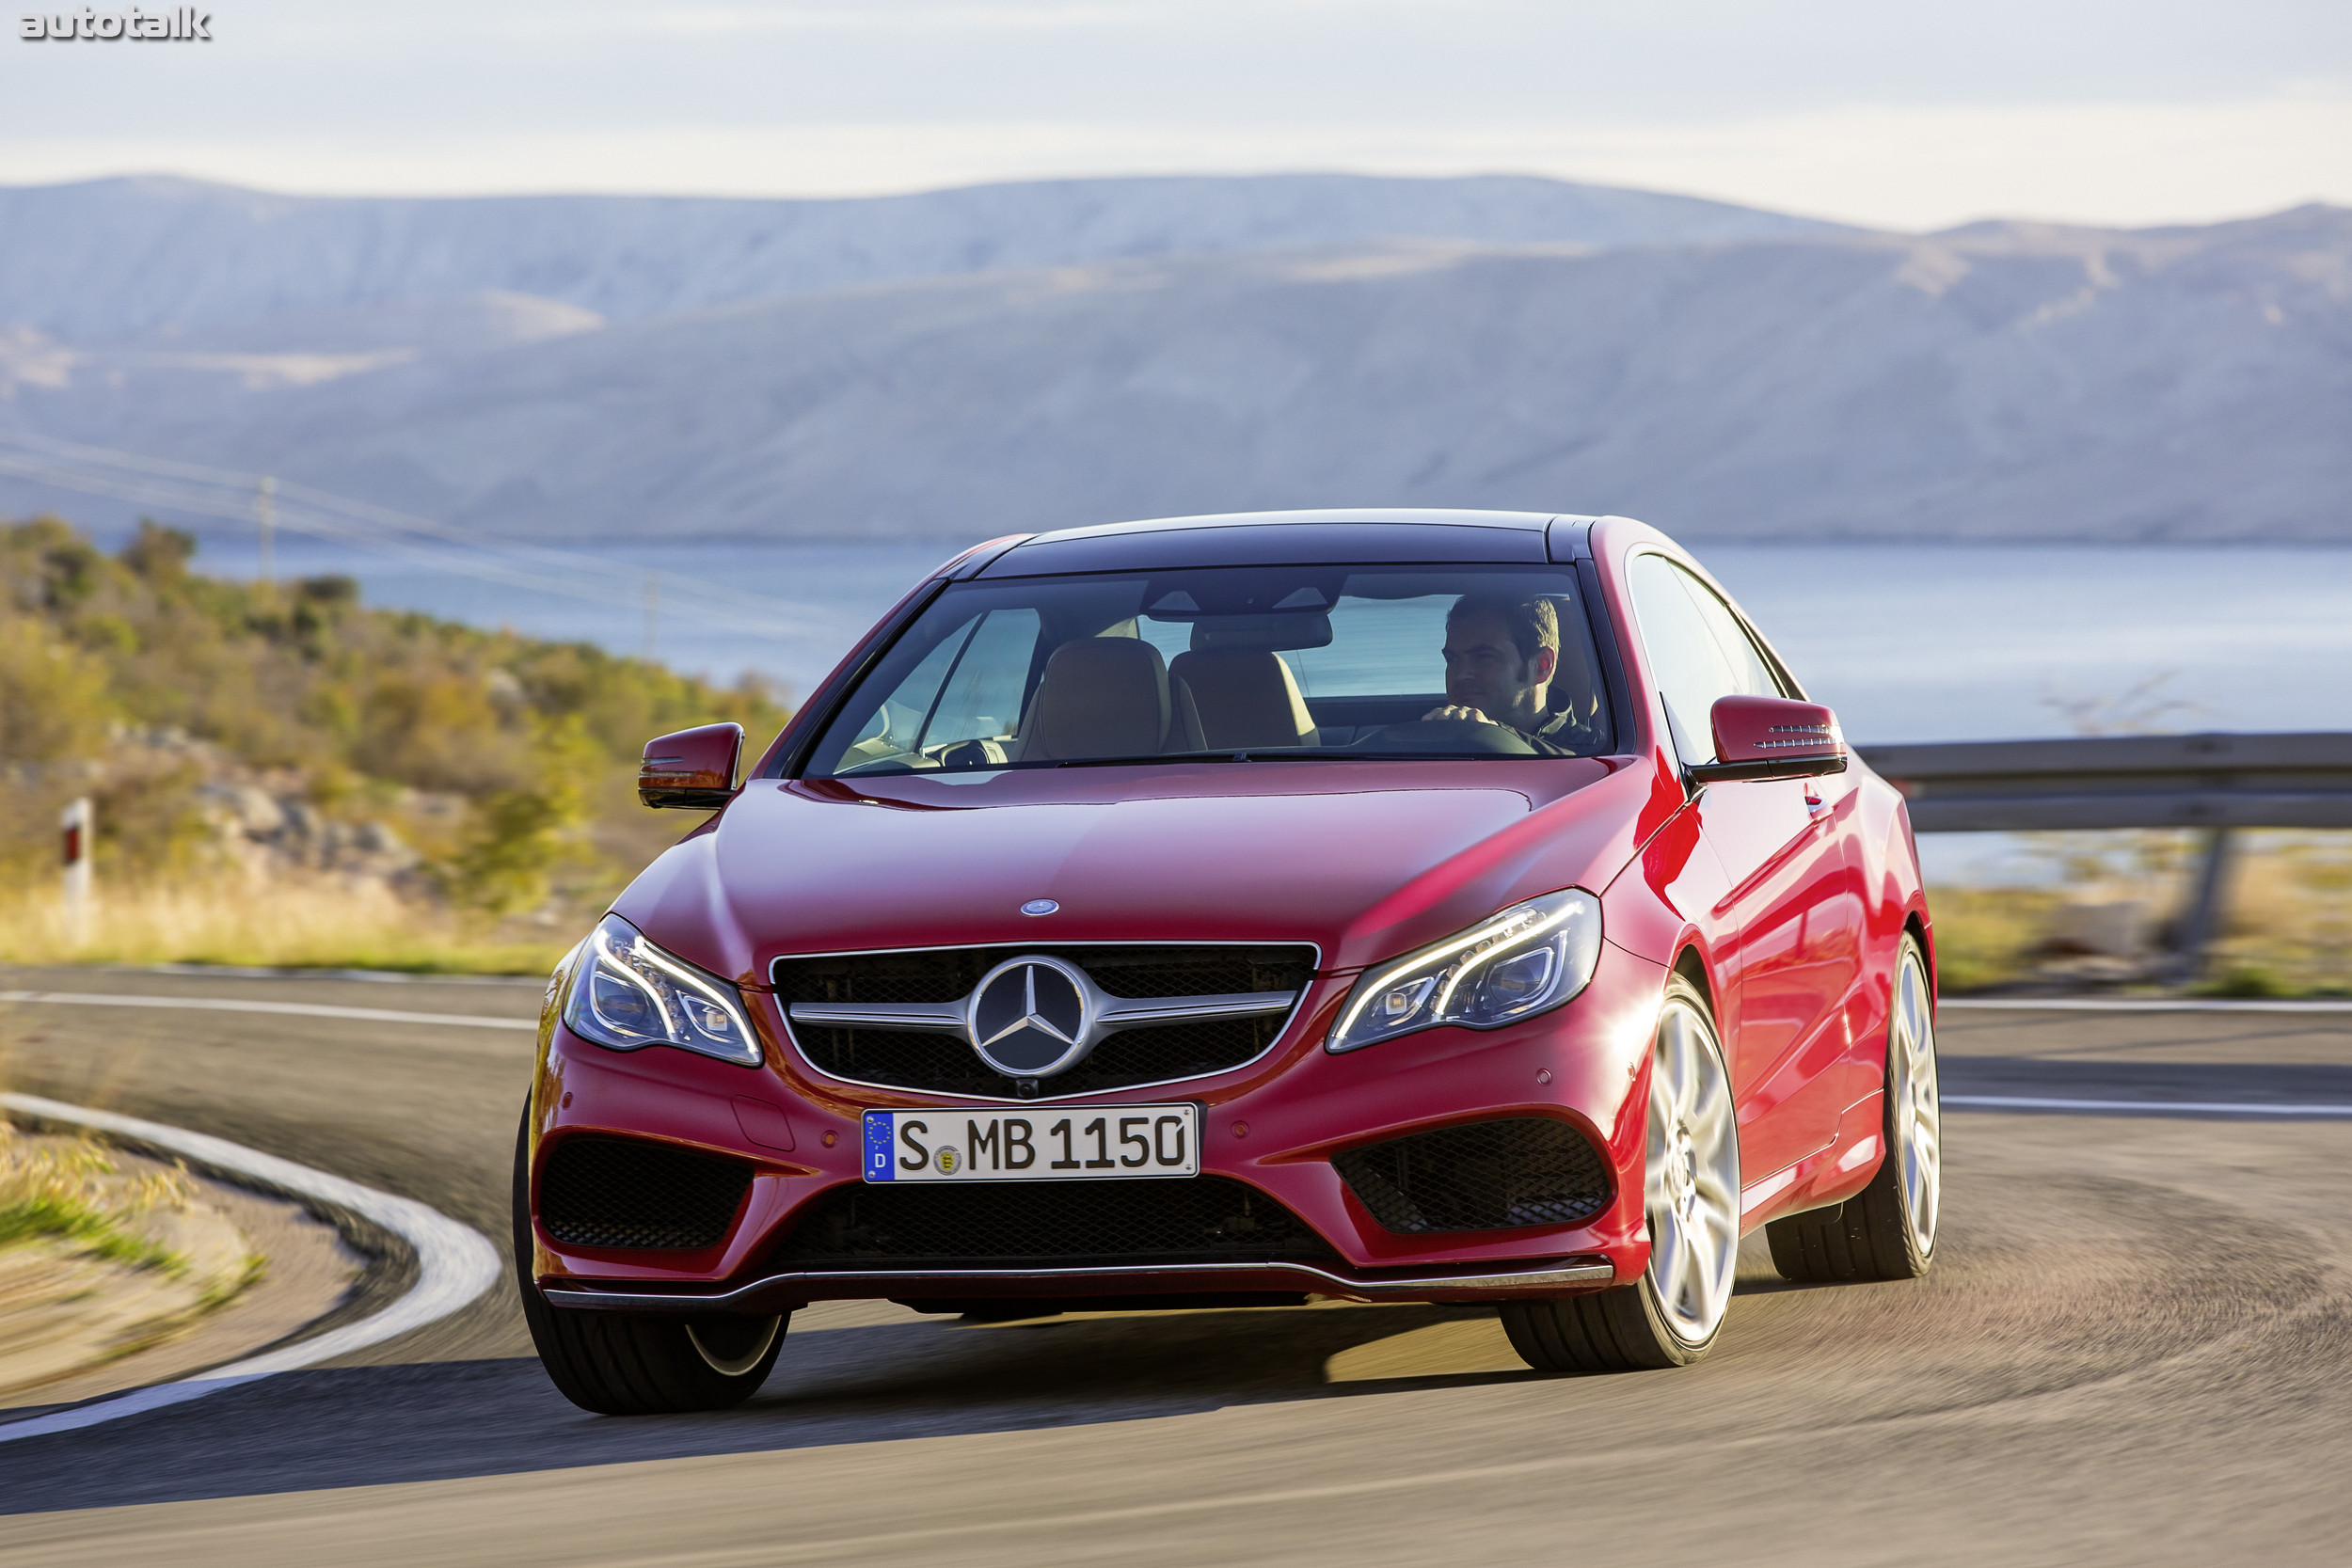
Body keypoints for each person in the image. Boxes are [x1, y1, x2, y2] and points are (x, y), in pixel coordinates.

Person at [1422, 594, 1600, 754]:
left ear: (1542, 665)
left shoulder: (1596, 753)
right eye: (1452, 659)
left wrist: (1493, 735)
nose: (1460, 675)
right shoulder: (1429, 743)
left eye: (1483, 657)